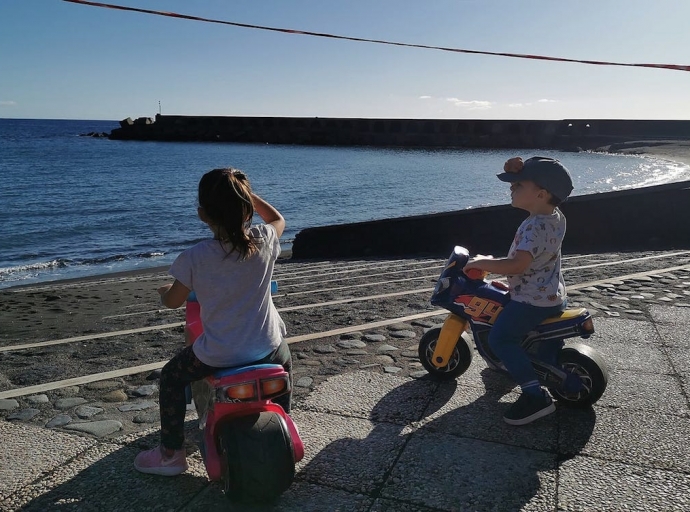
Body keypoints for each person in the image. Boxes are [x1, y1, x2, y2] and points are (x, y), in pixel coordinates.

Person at [134, 167, 291, 476]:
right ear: (247, 208)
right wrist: (249, 198)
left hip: (218, 354)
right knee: (285, 360)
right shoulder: (263, 239)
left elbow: (174, 301)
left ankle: (170, 454)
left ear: (202, 214)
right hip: (267, 349)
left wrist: (165, 292)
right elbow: (278, 219)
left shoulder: (194, 257)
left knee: (171, 377)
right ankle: (284, 417)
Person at [463, 156, 573, 426]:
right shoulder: (555, 217)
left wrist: (482, 263)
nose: (511, 188)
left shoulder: (534, 226)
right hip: (552, 293)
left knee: (502, 339)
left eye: (517, 184)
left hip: (531, 300)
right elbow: (535, 258)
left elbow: (519, 264)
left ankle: (535, 396)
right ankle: (542, 362)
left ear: (540, 194)